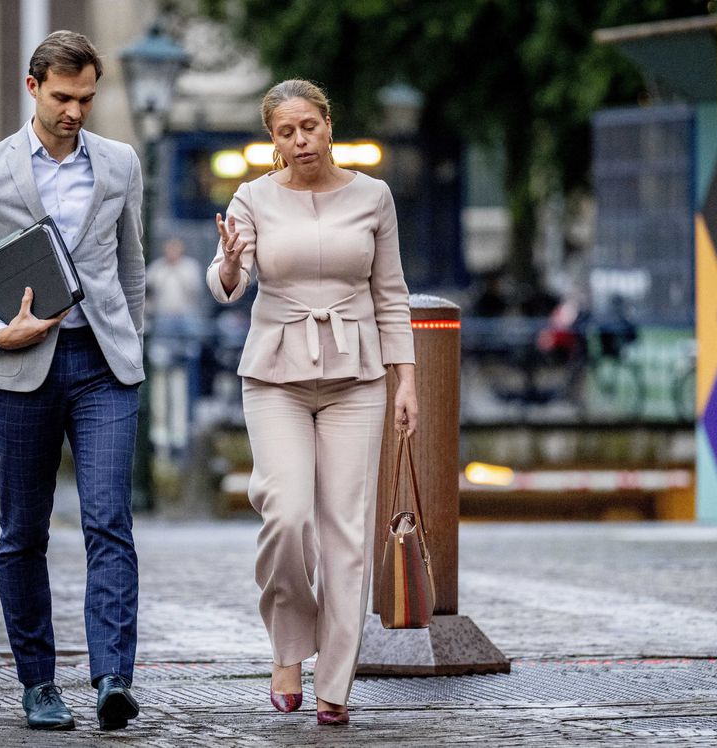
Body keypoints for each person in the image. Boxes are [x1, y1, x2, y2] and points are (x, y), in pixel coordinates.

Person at [0, 31, 144, 732]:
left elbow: (129, 266)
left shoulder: (119, 163)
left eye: (86, 97)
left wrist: (129, 340)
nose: (76, 111)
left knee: (109, 519)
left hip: (104, 371)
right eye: (62, 97)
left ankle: (113, 677)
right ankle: (39, 684)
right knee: (24, 532)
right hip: (21, 372)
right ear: (32, 87)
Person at [207, 79, 418, 726]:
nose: (299, 141)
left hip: (358, 378)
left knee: (345, 536)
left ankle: (336, 682)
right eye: (284, 132)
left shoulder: (373, 196)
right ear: (272, 140)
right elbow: (226, 286)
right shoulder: (252, 197)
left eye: (308, 127)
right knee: (288, 516)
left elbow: (391, 293)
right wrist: (230, 263)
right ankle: (289, 647)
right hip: (276, 375)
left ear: (328, 124)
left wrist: (405, 378)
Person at [146, 238, 205, 456]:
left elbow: (194, 291)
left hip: (183, 330)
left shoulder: (189, 267)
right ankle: (160, 434)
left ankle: (179, 435)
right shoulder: (157, 269)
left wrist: (175, 270)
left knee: (180, 381)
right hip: (162, 329)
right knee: (160, 381)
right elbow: (149, 293)